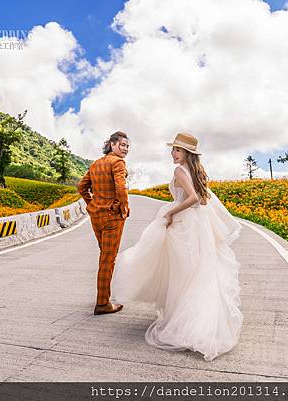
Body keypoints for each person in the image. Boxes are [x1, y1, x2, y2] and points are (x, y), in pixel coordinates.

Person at [111, 132, 243, 361]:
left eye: (177, 150)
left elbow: (192, 198)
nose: (173, 153)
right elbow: (203, 200)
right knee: (198, 274)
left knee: (183, 274)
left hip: (185, 226)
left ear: (187, 154)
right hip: (198, 225)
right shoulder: (196, 171)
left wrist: (170, 212)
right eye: (173, 149)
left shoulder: (180, 171)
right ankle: (200, 322)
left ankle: (187, 325)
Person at [77, 131, 131, 315]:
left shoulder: (96, 164)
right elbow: (120, 187)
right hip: (112, 216)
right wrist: (124, 206)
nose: (125, 149)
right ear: (112, 145)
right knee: (108, 259)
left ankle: (104, 296)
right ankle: (102, 303)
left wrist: (91, 203)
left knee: (104, 256)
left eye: (127, 146)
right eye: (122, 144)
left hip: (96, 216)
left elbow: (81, 187)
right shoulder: (118, 163)